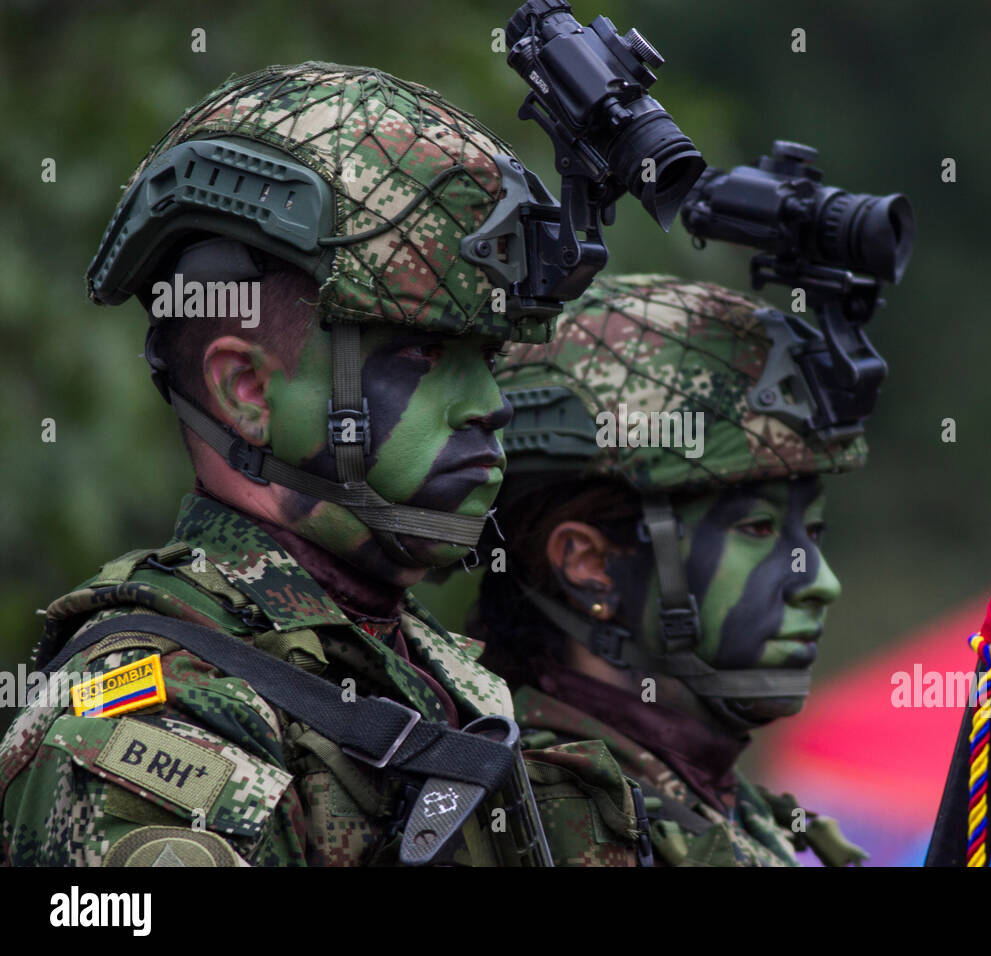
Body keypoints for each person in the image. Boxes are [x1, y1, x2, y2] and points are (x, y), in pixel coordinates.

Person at [0, 61, 636, 867]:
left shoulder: (439, 675)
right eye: (421, 354)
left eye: (490, 358)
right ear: (246, 392)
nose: (488, 404)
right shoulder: (146, 724)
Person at [472, 274, 872, 866]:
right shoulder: (540, 821)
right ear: (590, 563)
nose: (821, 582)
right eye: (756, 529)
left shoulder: (717, 806)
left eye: (811, 533)